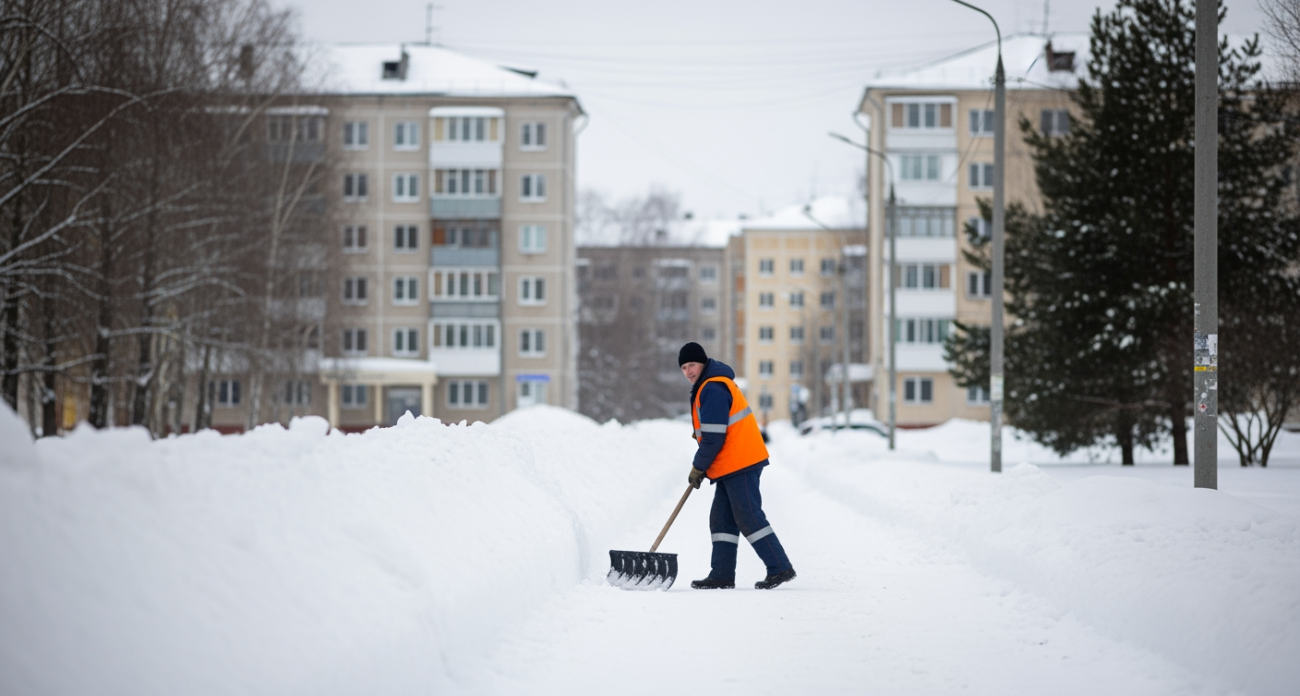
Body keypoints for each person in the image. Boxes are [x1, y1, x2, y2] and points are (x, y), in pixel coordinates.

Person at [678, 341, 796, 590]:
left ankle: (780, 567)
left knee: (748, 516)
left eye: (692, 365)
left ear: (703, 363)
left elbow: (713, 437)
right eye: (684, 367)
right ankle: (721, 573)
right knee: (721, 519)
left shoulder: (712, 388)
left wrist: (698, 467)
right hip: (730, 463)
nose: (689, 371)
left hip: (740, 461)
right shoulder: (708, 386)